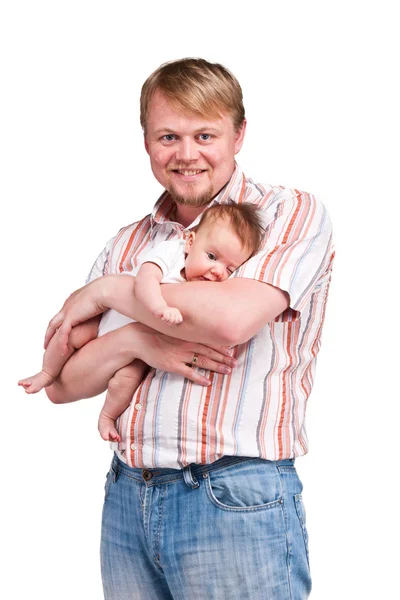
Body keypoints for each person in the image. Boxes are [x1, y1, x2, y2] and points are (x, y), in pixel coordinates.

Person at [43, 58, 334, 599]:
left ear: (239, 134)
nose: (187, 154)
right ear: (147, 143)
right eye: (168, 136)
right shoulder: (127, 244)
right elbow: (63, 383)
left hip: (236, 498)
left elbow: (231, 319)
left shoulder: (285, 214)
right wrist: (133, 339)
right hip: (129, 496)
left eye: (206, 134)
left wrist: (110, 292)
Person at [19, 202, 264, 443]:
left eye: (229, 269)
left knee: (128, 377)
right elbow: (146, 278)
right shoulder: (173, 251)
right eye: (212, 256)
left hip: (133, 351)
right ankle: (46, 372)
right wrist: (158, 306)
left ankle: (107, 416)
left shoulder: (207, 286)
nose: (217, 271)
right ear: (190, 242)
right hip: (106, 318)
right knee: (71, 335)